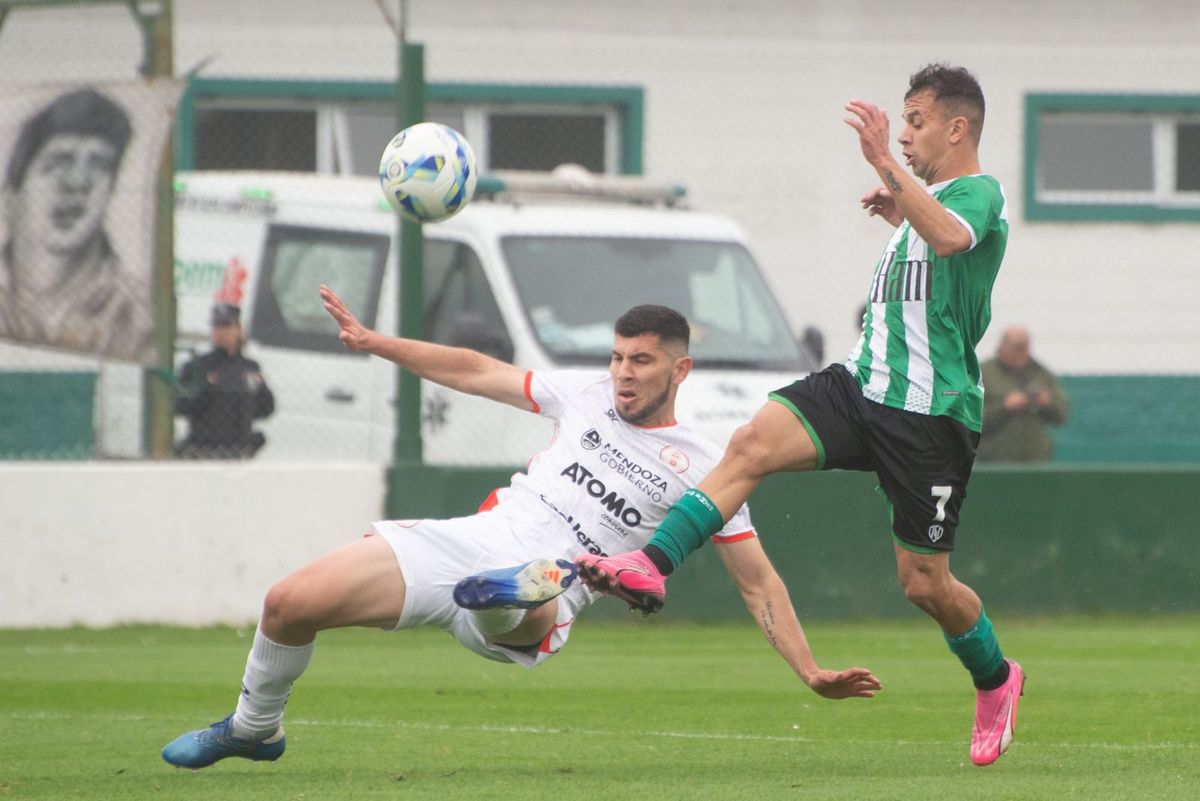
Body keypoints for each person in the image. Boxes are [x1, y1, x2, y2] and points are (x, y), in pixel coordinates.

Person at [160, 285, 881, 769]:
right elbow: (477, 370)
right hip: (476, 538)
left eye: (642, 361)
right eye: (618, 356)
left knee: (533, 599)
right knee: (290, 602)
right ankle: (255, 728)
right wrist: (377, 343)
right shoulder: (585, 393)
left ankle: (522, 589)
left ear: (680, 368)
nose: (623, 373)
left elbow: (759, 581)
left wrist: (809, 670)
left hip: (553, 591)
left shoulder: (707, 466)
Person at [577, 64, 1024, 767]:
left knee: (925, 584)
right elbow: (929, 235)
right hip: (860, 383)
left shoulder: (979, 194)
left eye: (915, 121)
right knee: (750, 442)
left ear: (956, 127)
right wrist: (901, 202)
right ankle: (651, 562)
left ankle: (997, 678)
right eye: (901, 124)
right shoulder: (926, 201)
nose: (903, 135)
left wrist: (889, 170)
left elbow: (951, 239)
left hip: (929, 414)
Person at [0, 87, 152, 362]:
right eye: (58, 162)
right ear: (11, 198)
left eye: (99, 165)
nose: (78, 183)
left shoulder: (139, 318)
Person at [175, 303, 275, 459]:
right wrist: (207, 386)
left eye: (226, 327)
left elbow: (266, 409)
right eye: (217, 327)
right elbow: (180, 406)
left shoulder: (249, 368)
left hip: (238, 450)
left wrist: (261, 389)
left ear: (238, 330)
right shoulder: (197, 366)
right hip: (203, 449)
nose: (221, 333)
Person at [977, 325, 1069, 462]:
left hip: (1036, 461)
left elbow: (1061, 415)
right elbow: (969, 419)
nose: (1020, 353)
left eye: (1024, 347)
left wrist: (1046, 402)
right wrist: (1004, 406)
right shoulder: (983, 373)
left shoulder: (1041, 373)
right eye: (1015, 348)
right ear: (1002, 347)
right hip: (994, 461)